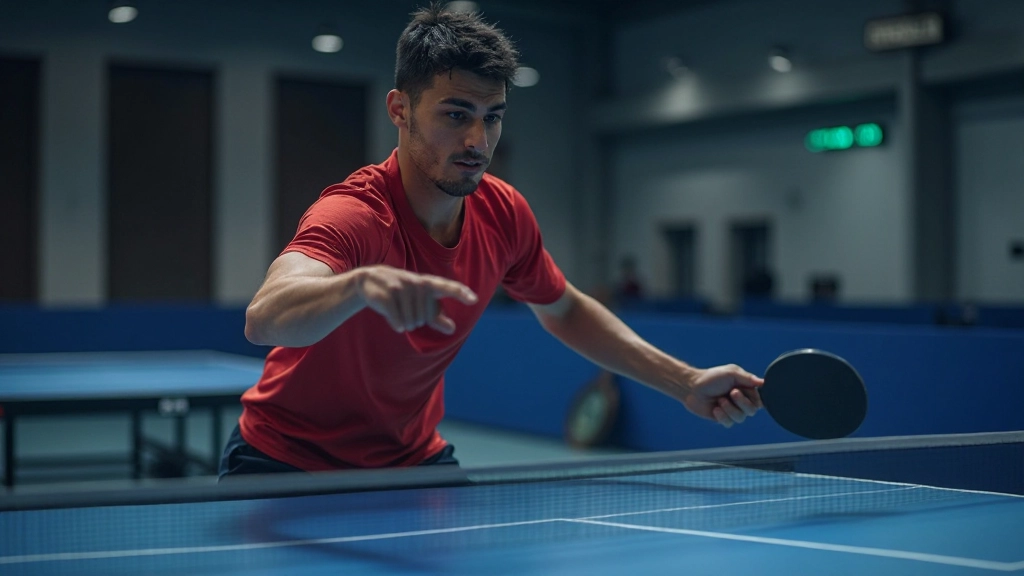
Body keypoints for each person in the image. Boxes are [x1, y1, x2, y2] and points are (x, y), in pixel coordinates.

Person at [220, 4, 763, 478]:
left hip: (409, 459)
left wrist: (685, 381)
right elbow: (264, 318)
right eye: (456, 115)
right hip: (287, 459)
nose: (478, 142)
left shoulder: (503, 213)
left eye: (492, 117)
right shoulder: (356, 214)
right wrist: (358, 286)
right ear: (400, 110)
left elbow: (566, 310)